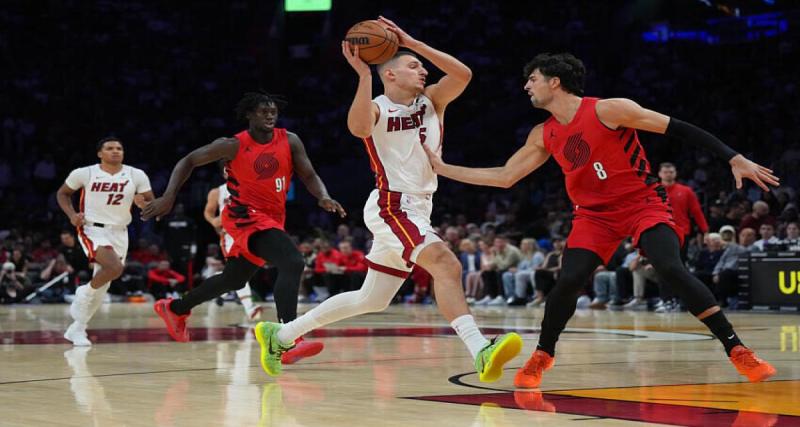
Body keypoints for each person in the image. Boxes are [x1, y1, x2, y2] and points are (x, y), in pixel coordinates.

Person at [424, 52, 778, 388]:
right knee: (568, 280)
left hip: (643, 204)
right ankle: (542, 355)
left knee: (670, 267)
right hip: (594, 216)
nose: (526, 86)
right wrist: (443, 169)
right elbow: (505, 176)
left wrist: (734, 157)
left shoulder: (609, 110)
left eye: (532, 79)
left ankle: (737, 349)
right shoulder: (543, 134)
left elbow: (678, 128)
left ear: (555, 81)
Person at [252, 16, 522, 381]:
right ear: (390, 75)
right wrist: (364, 76)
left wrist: (413, 43)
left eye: (422, 65)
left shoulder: (432, 101)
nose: (423, 70)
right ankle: (480, 349)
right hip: (392, 204)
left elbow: (463, 75)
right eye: (414, 66)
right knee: (445, 263)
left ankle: (279, 335)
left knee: (372, 299)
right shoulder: (378, 107)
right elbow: (358, 128)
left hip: (419, 206)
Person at [142, 92, 342, 366]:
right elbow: (187, 161)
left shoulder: (290, 139)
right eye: (263, 111)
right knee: (293, 262)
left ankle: (174, 308)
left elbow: (308, 174)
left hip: (273, 216)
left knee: (234, 279)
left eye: (273, 111)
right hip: (244, 215)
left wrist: (323, 196)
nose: (270, 115)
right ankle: (287, 338)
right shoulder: (232, 145)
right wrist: (168, 197)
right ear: (249, 115)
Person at [56, 137, 154, 346]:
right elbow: (63, 194)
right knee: (114, 267)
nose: (115, 151)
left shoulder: (136, 174)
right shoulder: (85, 172)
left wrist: (143, 204)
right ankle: (83, 293)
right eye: (110, 148)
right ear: (100, 153)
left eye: (119, 148)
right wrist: (72, 215)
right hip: (92, 228)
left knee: (104, 283)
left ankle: (78, 328)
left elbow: (152, 204)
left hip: (120, 231)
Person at [204, 161, 263, 320]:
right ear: (224, 173)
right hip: (229, 235)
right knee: (239, 271)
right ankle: (250, 308)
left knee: (241, 271)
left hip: (248, 233)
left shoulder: (249, 189)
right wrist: (213, 221)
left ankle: (218, 284)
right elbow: (208, 212)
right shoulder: (217, 192)